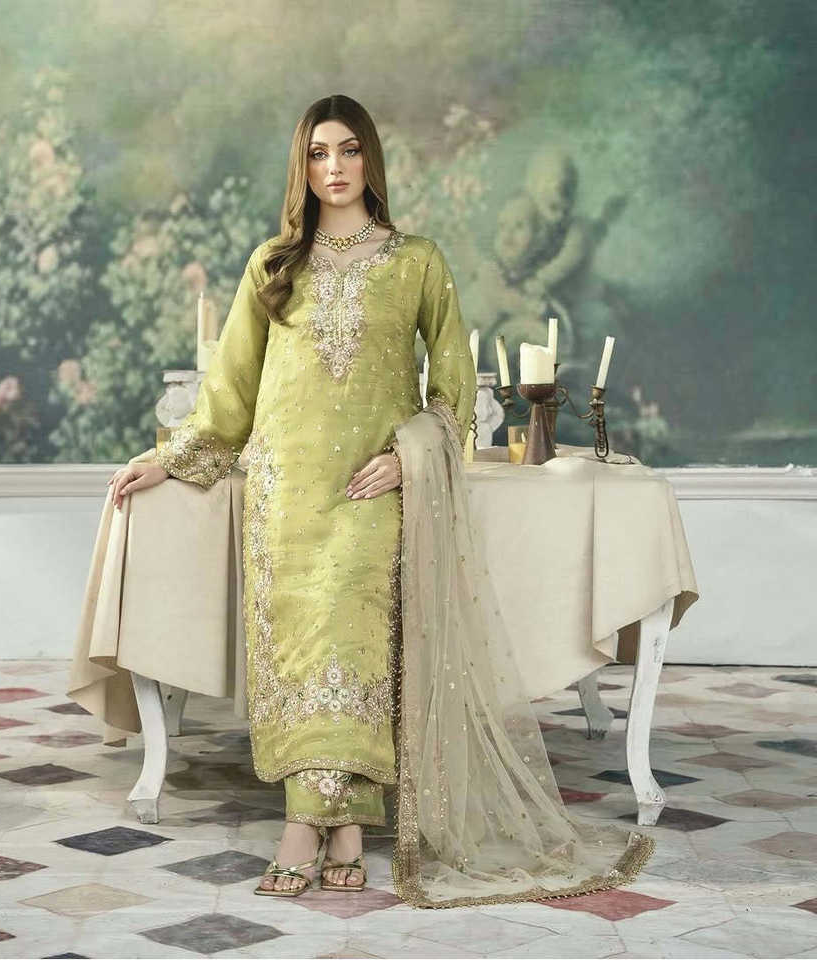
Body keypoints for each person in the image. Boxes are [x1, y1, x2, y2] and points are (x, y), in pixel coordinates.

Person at [107, 94, 654, 905]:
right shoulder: (272, 265)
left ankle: (317, 827)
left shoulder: (417, 262)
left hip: (370, 490)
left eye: (349, 150)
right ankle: (331, 826)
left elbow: (455, 392)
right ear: (302, 166)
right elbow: (229, 394)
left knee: (356, 652)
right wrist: (169, 460)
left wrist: (408, 458)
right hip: (284, 497)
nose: (334, 167)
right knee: (298, 659)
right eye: (319, 153)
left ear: (371, 159)